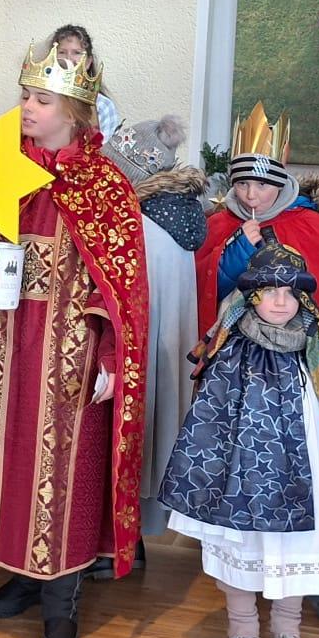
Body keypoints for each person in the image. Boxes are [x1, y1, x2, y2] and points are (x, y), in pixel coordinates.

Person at [0, 41, 149, 638]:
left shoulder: (102, 185)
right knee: (1, 459)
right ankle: (17, 572)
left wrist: (107, 356)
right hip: (0, 341)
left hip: (66, 350)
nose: (26, 108)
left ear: (75, 113)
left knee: (59, 471)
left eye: (41, 100)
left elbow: (120, 284)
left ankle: (61, 601)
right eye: (24, 95)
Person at [161, 242, 319, 638]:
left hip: (308, 472)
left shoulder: (317, 345)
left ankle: (288, 627)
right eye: (270, 291)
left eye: (291, 293)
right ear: (252, 295)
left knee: (299, 547)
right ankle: (243, 628)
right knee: (244, 543)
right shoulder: (232, 347)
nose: (281, 302)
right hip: (243, 476)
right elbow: (210, 417)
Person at [95, 115, 206, 573]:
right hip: (166, 348)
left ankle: (115, 543)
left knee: (132, 434)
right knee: (155, 431)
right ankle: (133, 538)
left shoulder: (140, 224)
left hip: (139, 351)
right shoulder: (178, 214)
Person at [198, 104, 319, 353]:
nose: (251, 195)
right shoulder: (219, 224)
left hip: (297, 354)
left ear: (280, 183)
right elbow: (198, 294)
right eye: (242, 184)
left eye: (262, 185)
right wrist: (234, 255)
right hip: (235, 354)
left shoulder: (312, 225)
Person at [46, 25, 124, 139]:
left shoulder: (102, 106)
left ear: (88, 62)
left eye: (76, 52)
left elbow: (106, 150)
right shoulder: (40, 98)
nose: (68, 58)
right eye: (62, 52)